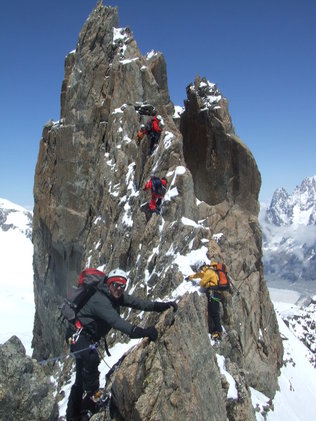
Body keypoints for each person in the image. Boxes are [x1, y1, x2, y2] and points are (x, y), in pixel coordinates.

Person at [65, 268, 177, 421]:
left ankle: (73, 415)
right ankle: (93, 396)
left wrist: (160, 306)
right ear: (109, 283)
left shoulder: (114, 296)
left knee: (81, 374)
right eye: (116, 285)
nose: (119, 289)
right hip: (77, 335)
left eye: (122, 286)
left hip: (86, 336)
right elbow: (117, 322)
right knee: (91, 359)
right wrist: (144, 332)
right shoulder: (100, 300)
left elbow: (137, 303)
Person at [187, 263, 223, 340]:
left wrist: (203, 285)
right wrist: (191, 277)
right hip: (217, 293)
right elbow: (199, 275)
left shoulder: (209, 272)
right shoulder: (212, 272)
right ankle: (215, 331)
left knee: (214, 312)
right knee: (213, 311)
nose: (201, 270)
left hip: (213, 293)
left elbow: (202, 282)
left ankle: (219, 331)